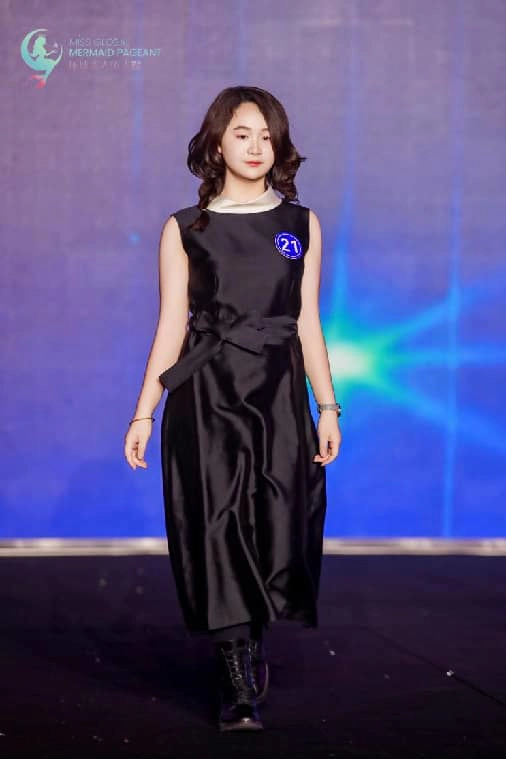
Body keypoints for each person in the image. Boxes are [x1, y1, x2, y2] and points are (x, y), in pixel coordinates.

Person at [124, 85, 342, 732]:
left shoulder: (300, 224)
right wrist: (144, 411)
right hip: (207, 394)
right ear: (217, 142)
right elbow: (171, 322)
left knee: (275, 521)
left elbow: (308, 320)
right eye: (243, 133)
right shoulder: (186, 228)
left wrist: (328, 405)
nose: (255, 147)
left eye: (267, 136)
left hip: (278, 393)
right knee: (217, 522)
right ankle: (236, 672)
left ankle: (253, 639)